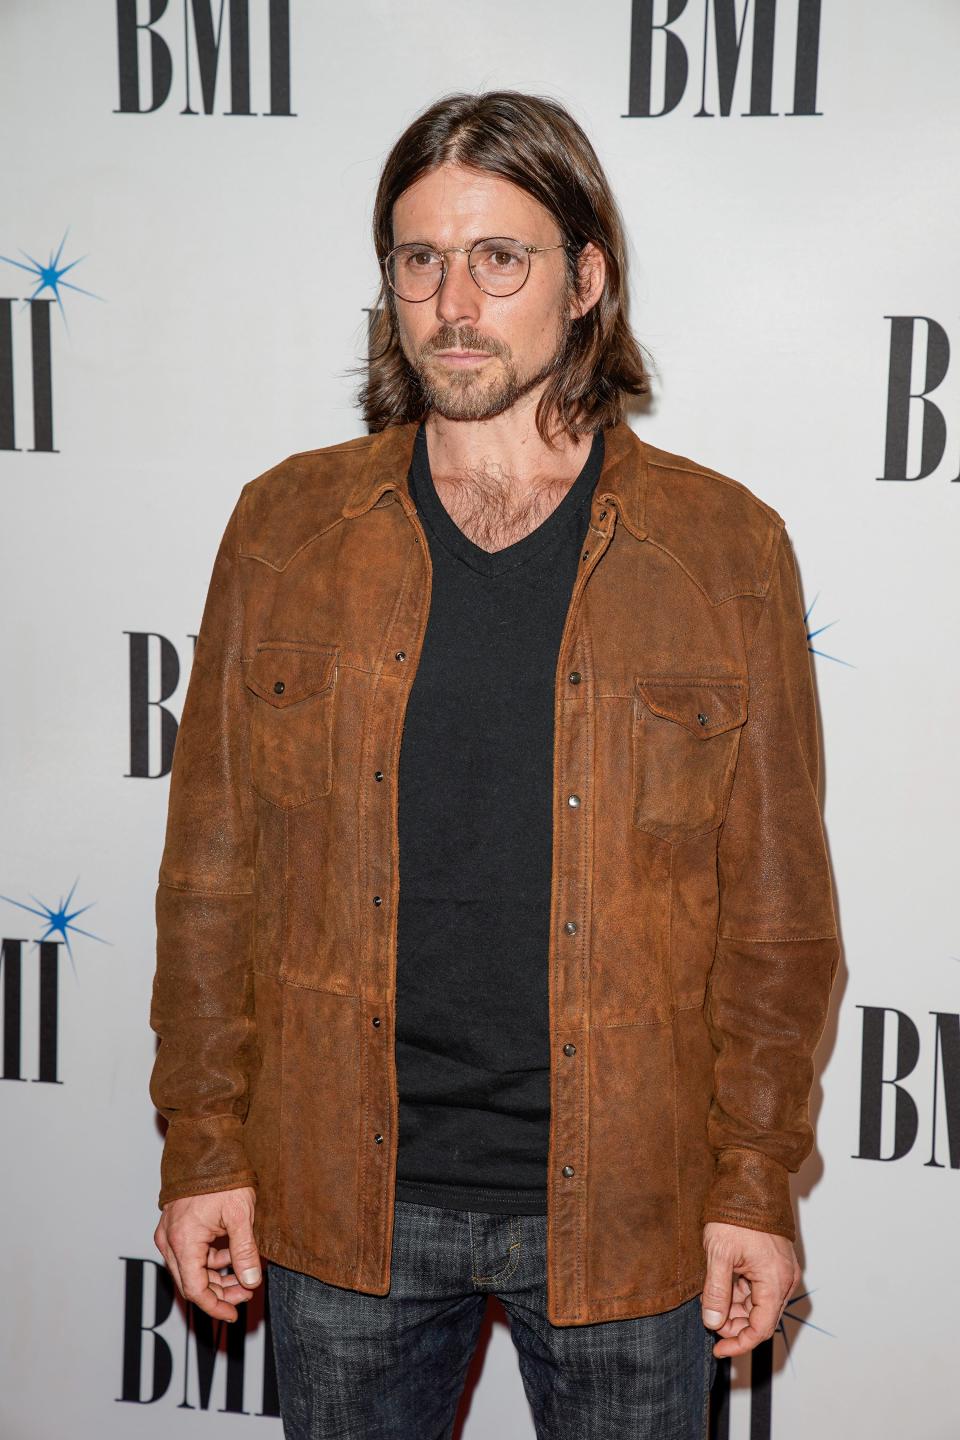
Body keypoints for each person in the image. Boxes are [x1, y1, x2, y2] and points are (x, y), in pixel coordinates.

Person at [149, 90, 840, 1440]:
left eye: (498, 258)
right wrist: (203, 1145)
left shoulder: (722, 550)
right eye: (419, 260)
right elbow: (211, 878)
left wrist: (754, 1183)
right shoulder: (283, 528)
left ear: (587, 278)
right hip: (340, 1200)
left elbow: (777, 914)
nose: (451, 301)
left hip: (629, 1213)